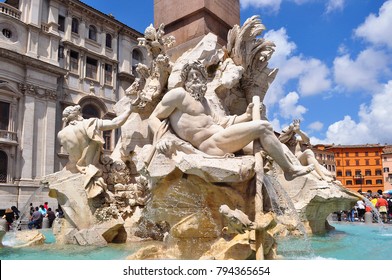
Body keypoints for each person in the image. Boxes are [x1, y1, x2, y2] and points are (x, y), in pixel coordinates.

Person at [149, 60, 314, 180]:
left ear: (203, 79)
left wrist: (247, 115)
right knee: (263, 127)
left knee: (270, 146)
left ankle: (291, 170)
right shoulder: (178, 95)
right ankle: (289, 170)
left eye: (198, 75)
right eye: (190, 76)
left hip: (222, 138)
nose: (194, 78)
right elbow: (154, 117)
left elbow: (223, 122)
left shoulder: (205, 102)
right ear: (184, 81)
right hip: (209, 145)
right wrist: (164, 138)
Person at [57, 104, 132, 198]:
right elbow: (115, 123)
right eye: (81, 113)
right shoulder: (88, 124)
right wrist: (130, 110)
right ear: (77, 115)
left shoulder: (61, 134)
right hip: (92, 169)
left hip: (73, 170)